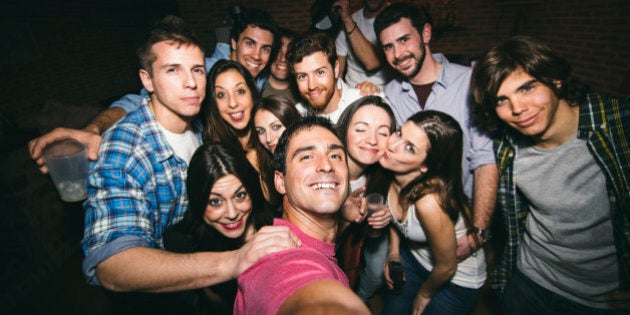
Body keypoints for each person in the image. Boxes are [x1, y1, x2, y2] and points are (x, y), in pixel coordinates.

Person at [79, 16, 298, 313]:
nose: (191, 82)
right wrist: (234, 261)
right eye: (173, 70)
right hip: (157, 301)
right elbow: (112, 265)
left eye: (197, 70)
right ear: (147, 79)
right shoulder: (126, 148)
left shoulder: (199, 126)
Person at [470, 35, 630, 314]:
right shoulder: (506, 145)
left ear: (555, 80)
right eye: (502, 100)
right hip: (527, 282)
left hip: (599, 301)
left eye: (527, 88)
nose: (518, 108)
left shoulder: (619, 127)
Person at [28, 8, 279, 173]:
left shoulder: (257, 76)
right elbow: (139, 102)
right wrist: (94, 128)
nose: (257, 55)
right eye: (250, 43)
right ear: (233, 42)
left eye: (266, 49)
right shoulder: (207, 71)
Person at [374, 2, 498, 261]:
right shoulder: (391, 94)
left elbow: (485, 160)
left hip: (462, 227)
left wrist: (478, 233)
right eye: (388, 46)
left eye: (404, 39)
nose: (398, 54)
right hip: (413, 226)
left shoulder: (469, 82)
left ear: (426, 34)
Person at [233, 115, 370, 315]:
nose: (326, 165)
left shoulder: (298, 237)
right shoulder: (285, 260)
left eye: (335, 156)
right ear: (280, 182)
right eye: (306, 156)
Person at [379, 110, 486, 314]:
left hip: (455, 278)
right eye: (399, 133)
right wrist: (393, 253)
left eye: (409, 148)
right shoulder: (390, 170)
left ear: (426, 167)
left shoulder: (429, 202)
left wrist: (424, 294)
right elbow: (395, 218)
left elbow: (447, 267)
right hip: (413, 258)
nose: (392, 144)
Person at [164, 143, 276, 314]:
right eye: (215, 202)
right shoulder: (181, 243)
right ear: (197, 200)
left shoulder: (275, 228)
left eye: (240, 196)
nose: (232, 214)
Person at [334, 95, 394, 301]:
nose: (372, 140)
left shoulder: (384, 175)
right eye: (361, 129)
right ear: (344, 131)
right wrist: (342, 218)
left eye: (383, 132)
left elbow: (373, 237)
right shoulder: (325, 174)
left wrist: (383, 219)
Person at [203, 59, 280, 208]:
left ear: (252, 93)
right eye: (221, 95)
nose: (233, 103)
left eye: (240, 91)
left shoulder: (272, 136)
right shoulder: (214, 156)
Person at [287, 31, 384, 124]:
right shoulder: (295, 117)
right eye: (302, 76)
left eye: (320, 72)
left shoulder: (366, 103)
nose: (312, 86)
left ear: (336, 68)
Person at [334, 0, 393, 89]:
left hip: (384, 94)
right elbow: (339, 70)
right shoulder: (351, 20)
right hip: (352, 92)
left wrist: (347, 19)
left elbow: (372, 63)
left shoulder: (394, 18)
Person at [261, 27, 301, 104]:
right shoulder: (254, 90)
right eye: (278, 51)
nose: (283, 59)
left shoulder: (303, 94)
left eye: (289, 52)